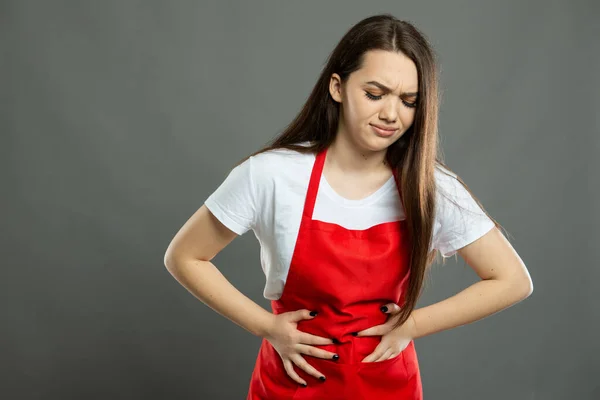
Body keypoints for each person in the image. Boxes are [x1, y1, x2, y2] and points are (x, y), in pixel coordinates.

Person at [164, 13, 533, 400]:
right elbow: (185, 256)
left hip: (389, 385)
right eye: (375, 94)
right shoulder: (271, 174)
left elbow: (512, 281)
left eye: (409, 101)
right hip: (291, 387)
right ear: (337, 87)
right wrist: (266, 326)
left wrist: (412, 325)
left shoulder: (431, 186)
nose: (391, 114)